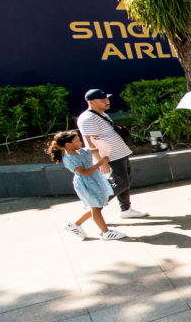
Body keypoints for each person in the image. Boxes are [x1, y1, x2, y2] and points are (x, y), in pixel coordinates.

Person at [77, 89, 148, 218]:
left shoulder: (101, 114)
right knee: (120, 184)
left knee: (125, 182)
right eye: (102, 100)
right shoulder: (88, 118)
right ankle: (93, 211)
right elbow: (90, 141)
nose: (107, 102)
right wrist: (101, 162)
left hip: (119, 154)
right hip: (110, 158)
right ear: (91, 102)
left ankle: (126, 210)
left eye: (107, 99)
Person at [48, 130, 124, 240]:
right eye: (77, 141)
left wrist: (103, 144)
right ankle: (105, 232)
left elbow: (96, 149)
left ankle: (75, 225)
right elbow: (84, 173)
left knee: (98, 206)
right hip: (86, 184)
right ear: (69, 145)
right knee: (96, 208)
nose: (80, 142)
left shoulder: (82, 151)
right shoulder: (69, 159)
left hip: (94, 181)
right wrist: (100, 163)